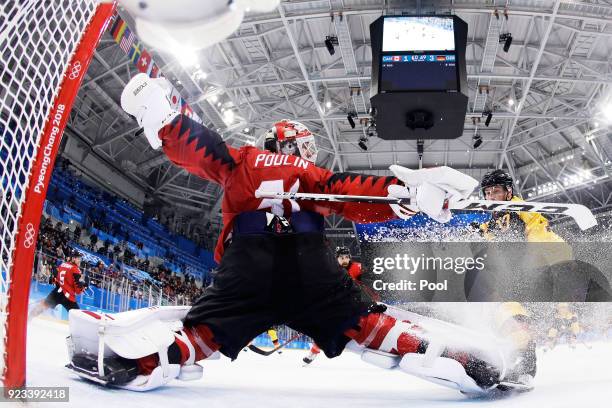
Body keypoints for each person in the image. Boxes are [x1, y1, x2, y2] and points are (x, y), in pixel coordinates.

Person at [65, 73, 529, 395]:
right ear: (288, 143)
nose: (307, 152)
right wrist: (407, 193)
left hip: (247, 262)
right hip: (308, 265)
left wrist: (167, 122)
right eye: (303, 146)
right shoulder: (309, 173)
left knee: (205, 333)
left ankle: (138, 361)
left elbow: (201, 150)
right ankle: (453, 355)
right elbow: (352, 194)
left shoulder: (241, 160)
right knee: (368, 326)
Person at [303, 246, 362, 365]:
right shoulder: (330, 270)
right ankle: (314, 351)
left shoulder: (357, 268)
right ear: (336, 258)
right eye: (342, 258)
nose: (345, 260)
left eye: (347, 257)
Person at [29, 250, 87, 321]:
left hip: (57, 292)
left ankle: (29, 317)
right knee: (77, 315)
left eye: (80, 259)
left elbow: (56, 275)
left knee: (43, 305)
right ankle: (79, 331)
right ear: (73, 258)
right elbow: (78, 290)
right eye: (78, 258)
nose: (79, 261)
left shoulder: (62, 265)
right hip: (67, 297)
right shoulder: (76, 270)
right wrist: (83, 286)